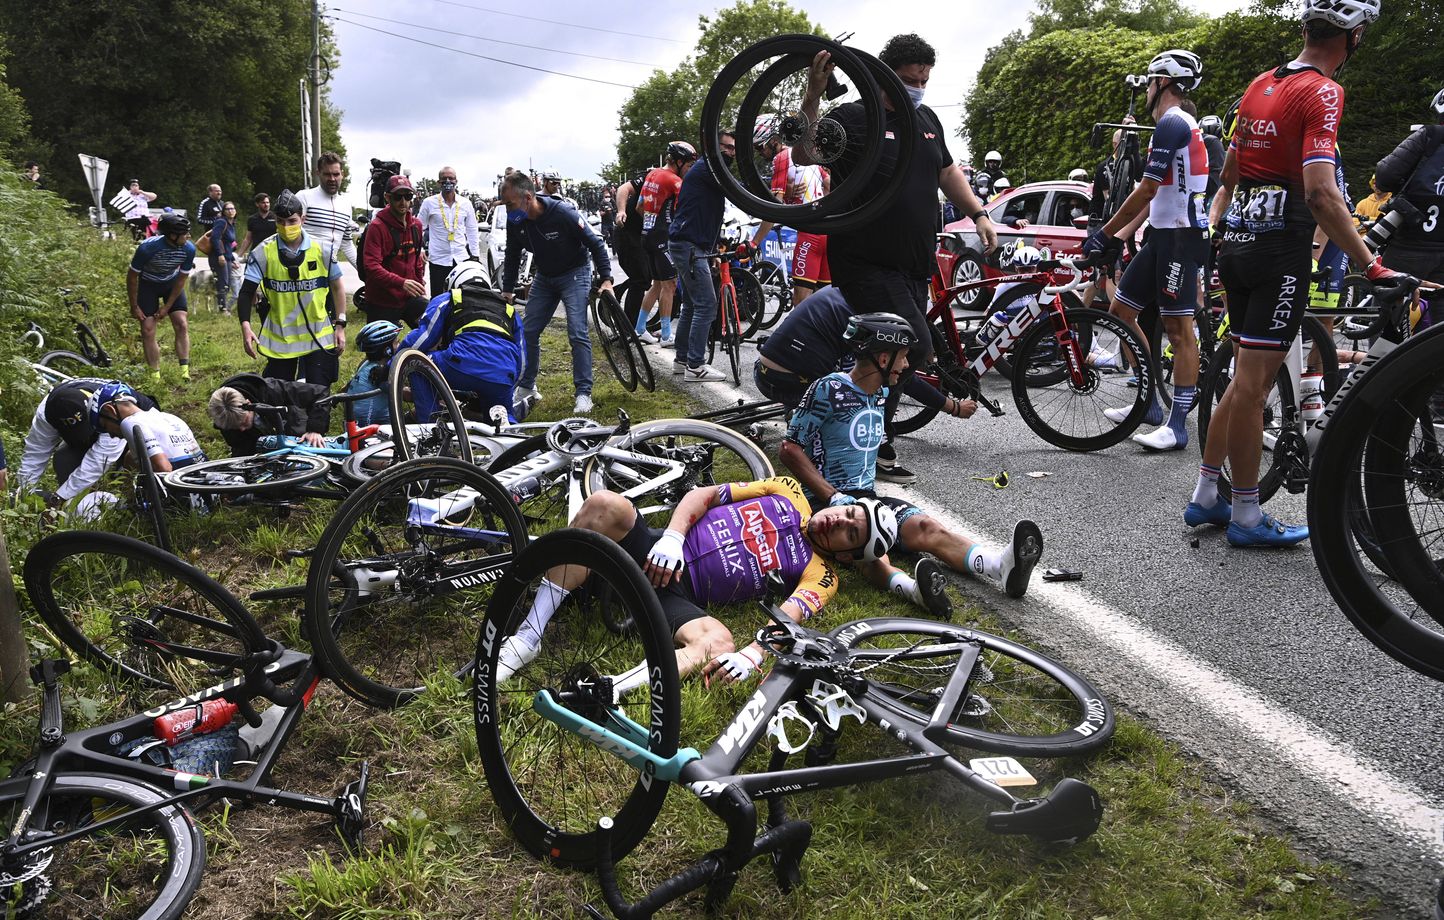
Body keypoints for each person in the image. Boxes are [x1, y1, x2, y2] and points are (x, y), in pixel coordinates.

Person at [1192, 0, 1403, 548]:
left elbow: (1232, 170)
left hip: (1237, 244)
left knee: (1243, 379)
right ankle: (1245, 516)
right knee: (1253, 387)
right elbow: (1319, 191)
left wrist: (1217, 226)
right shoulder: (1324, 91)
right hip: (1279, 250)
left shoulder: (1262, 82)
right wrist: (1370, 264)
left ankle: (1206, 497)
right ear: (1352, 39)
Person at [795, 33, 997, 484]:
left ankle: (852, 432)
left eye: (925, 79)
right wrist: (812, 94)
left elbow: (947, 172)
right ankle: (865, 436)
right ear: (885, 74)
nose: (918, 86)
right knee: (914, 346)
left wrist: (980, 213)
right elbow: (805, 152)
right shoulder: (852, 117)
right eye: (909, 79)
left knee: (887, 351)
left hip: (912, 264)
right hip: (865, 260)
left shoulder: (925, 120)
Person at [491, 474, 897, 687]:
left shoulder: (821, 574)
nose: (838, 521)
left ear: (846, 554)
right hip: (653, 550)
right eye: (849, 514)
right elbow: (703, 496)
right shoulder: (787, 492)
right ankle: (528, 638)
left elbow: (787, 617)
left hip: (677, 596)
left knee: (718, 642)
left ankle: (612, 689)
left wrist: (753, 654)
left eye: (850, 532)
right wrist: (673, 536)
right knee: (604, 505)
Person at [780, 313, 1043, 604]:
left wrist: (952, 406)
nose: (906, 365)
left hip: (866, 498)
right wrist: (832, 497)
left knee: (925, 528)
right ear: (883, 359)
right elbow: (789, 448)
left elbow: (914, 385)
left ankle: (1001, 567)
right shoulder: (829, 389)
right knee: (871, 550)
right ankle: (912, 591)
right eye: (903, 357)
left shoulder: (880, 390)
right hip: (824, 503)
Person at [1085, 49, 1210, 452]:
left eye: (1150, 82)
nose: (1147, 90)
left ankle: (1177, 425)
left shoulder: (1173, 123)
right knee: (1121, 312)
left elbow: (1148, 188)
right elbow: (1156, 197)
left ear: (1163, 84)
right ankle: (1150, 405)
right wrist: (1120, 236)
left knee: (1178, 328)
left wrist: (1106, 233)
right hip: (1161, 235)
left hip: (1181, 236)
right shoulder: (1172, 126)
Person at [754, 284, 974, 424]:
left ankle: (800, 413)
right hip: (792, 384)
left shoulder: (847, 290)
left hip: (765, 374)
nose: (907, 362)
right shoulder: (867, 319)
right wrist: (952, 407)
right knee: (866, 386)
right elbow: (896, 374)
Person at [502, 172, 613, 416]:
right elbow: (512, 255)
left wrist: (606, 279)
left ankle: (583, 394)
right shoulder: (516, 220)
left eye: (510, 204)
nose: (508, 210)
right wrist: (508, 290)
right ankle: (527, 386)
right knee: (528, 330)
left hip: (575, 271)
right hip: (546, 275)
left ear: (528, 197)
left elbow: (595, 244)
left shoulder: (562, 213)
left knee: (577, 331)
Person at [668, 129, 774, 382]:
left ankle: (682, 360)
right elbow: (740, 193)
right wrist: (772, 196)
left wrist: (712, 249)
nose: (730, 152)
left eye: (733, 148)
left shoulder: (709, 170)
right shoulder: (710, 169)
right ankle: (696, 365)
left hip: (692, 245)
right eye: (725, 147)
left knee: (692, 305)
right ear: (712, 148)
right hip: (689, 245)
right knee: (706, 304)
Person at [237, 189, 347, 387]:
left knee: (319, 398)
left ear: (302, 219)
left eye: (292, 221)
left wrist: (340, 325)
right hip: (281, 341)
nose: (286, 226)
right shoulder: (262, 252)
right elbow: (246, 292)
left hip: (318, 339)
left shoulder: (322, 249)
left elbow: (338, 288)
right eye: (280, 221)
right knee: (279, 399)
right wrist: (246, 326)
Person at [402, 261, 523, 422]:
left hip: (460, 363)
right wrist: (506, 382)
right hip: (503, 373)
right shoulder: (510, 310)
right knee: (500, 419)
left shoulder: (451, 298)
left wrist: (394, 363)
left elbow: (423, 337)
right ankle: (510, 435)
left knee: (417, 365)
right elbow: (522, 360)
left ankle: (430, 428)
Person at [15, 377, 155, 508]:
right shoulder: (46, 414)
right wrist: (22, 496)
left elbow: (98, 460)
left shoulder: (108, 409)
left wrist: (59, 496)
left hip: (132, 428)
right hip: (101, 425)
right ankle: (76, 506)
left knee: (131, 464)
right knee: (63, 459)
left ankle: (131, 508)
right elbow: (35, 455)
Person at [1373, 88, 1444, 284]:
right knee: (1439, 312)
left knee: (1391, 305)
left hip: (1410, 243)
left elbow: (1384, 177)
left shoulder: (1430, 136)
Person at [632, 141, 697, 346]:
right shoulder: (675, 181)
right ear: (678, 162)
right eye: (687, 166)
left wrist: (652, 221)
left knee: (657, 284)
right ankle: (667, 335)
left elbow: (639, 207)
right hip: (662, 237)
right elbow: (684, 212)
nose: (688, 170)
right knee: (669, 284)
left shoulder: (652, 174)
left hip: (647, 234)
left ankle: (640, 329)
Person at [127, 212, 196, 380]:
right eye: (184, 233)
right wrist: (134, 306)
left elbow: (181, 279)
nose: (188, 236)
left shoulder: (188, 249)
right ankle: (155, 375)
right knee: (148, 329)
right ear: (172, 236)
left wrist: (167, 306)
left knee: (181, 323)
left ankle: (184, 371)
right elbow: (132, 277)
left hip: (171, 284)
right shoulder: (147, 248)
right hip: (148, 285)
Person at [207, 372, 333, 456]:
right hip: (262, 445)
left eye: (244, 422)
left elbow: (319, 393)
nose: (241, 429)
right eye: (234, 428)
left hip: (293, 429)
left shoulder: (271, 390)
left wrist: (314, 429)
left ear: (249, 404)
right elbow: (240, 447)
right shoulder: (224, 417)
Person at [90, 382, 204, 474]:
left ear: (110, 410)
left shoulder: (130, 422)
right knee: (130, 458)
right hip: (204, 479)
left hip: (183, 492)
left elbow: (164, 469)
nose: (111, 435)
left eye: (105, 426)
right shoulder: (169, 417)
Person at [360, 175, 428, 327]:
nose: (403, 202)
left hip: (409, 297)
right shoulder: (377, 227)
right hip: (381, 300)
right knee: (381, 350)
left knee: (435, 334)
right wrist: (402, 283)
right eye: (398, 197)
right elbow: (371, 267)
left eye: (408, 196)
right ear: (387, 198)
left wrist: (418, 282)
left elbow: (416, 259)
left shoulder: (416, 225)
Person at [416, 165, 481, 297]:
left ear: (456, 181)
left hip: (461, 259)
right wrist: (421, 249)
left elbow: (472, 230)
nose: (448, 182)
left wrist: (475, 255)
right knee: (439, 298)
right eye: (444, 179)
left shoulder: (465, 203)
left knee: (462, 298)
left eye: (451, 178)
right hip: (438, 260)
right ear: (438, 182)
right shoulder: (429, 203)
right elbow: (418, 227)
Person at [297, 152, 358, 279]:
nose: (332, 179)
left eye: (336, 174)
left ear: (342, 174)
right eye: (327, 174)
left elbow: (346, 244)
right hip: (304, 272)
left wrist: (366, 271)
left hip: (330, 272)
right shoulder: (303, 197)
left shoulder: (346, 205)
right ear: (318, 173)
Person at [344, 320, 401, 426]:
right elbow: (404, 394)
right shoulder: (379, 372)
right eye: (396, 342)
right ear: (387, 350)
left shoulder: (365, 363)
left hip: (352, 421)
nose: (399, 345)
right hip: (369, 426)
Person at [613, 170, 652, 325]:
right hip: (628, 232)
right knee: (641, 278)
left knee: (654, 276)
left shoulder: (682, 183)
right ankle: (630, 327)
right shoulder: (652, 176)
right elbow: (624, 188)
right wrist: (621, 211)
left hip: (648, 236)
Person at [212, 201, 240, 314]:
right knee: (222, 283)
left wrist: (233, 260)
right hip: (219, 257)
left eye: (232, 208)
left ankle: (221, 306)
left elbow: (228, 245)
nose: (231, 211)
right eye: (228, 209)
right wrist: (220, 255)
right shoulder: (221, 222)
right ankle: (222, 309)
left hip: (228, 257)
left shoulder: (231, 224)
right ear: (223, 211)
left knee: (227, 284)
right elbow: (215, 238)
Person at [237, 192, 276, 262]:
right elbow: (248, 239)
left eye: (267, 202)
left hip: (273, 253)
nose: (266, 205)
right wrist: (239, 255)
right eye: (263, 203)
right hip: (256, 253)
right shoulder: (252, 219)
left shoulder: (276, 218)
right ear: (257, 204)